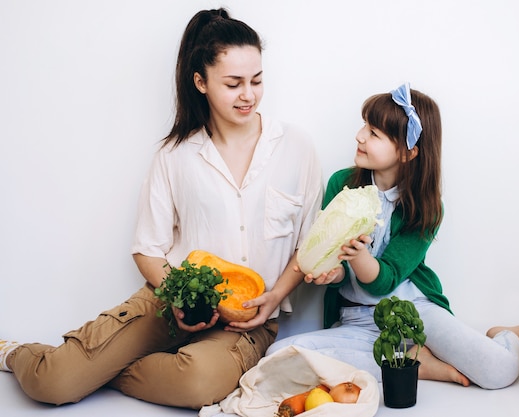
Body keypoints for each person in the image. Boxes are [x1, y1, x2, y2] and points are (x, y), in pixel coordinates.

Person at [0, 8, 323, 409]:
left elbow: (308, 244)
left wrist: (275, 297)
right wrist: (176, 298)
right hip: (170, 301)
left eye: (257, 80)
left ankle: (99, 371)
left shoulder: (297, 147)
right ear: (200, 82)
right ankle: (16, 354)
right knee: (54, 383)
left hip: (248, 321)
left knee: (198, 383)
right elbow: (148, 248)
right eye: (233, 83)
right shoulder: (175, 155)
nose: (249, 95)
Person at [266, 83, 519, 389]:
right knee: (280, 355)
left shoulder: (426, 209)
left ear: (408, 153)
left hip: (414, 312)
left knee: (498, 371)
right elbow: (340, 273)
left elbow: (386, 280)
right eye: (365, 126)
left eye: (374, 133)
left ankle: (509, 336)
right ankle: (417, 363)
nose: (359, 136)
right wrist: (332, 273)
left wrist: (358, 255)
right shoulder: (343, 184)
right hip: (358, 320)